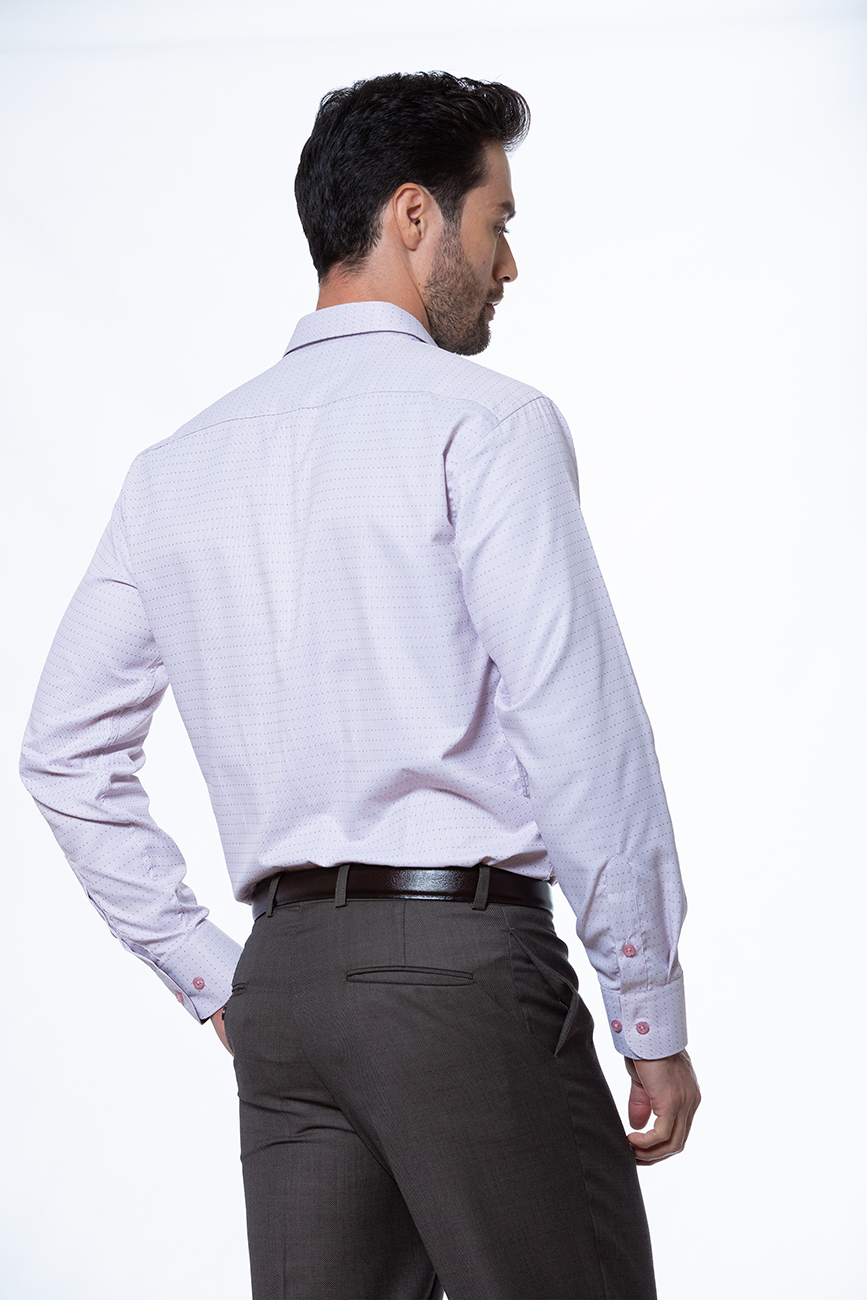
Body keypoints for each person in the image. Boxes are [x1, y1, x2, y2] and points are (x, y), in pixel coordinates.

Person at [20, 71, 700, 1300]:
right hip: (461, 976)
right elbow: (580, 732)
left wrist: (213, 972)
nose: (508, 264)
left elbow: (61, 750)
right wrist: (647, 1009)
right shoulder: (485, 424)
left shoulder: (177, 469)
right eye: (496, 223)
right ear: (413, 214)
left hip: (284, 998)